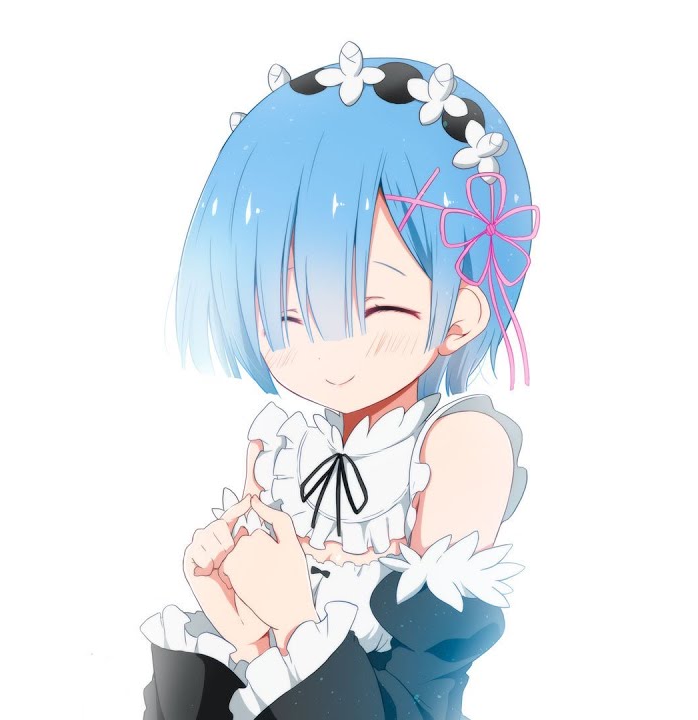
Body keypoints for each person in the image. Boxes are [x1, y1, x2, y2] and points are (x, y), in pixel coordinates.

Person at [141, 41, 541, 719]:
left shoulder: (460, 446)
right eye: (287, 312)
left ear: (461, 314)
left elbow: (418, 700)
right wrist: (243, 635)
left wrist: (295, 620)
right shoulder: (283, 446)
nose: (325, 347)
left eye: (371, 307)